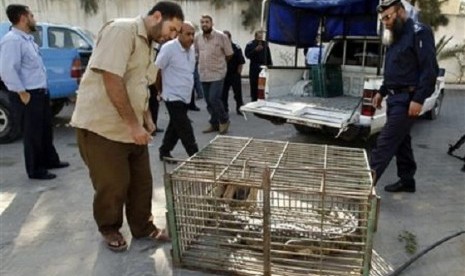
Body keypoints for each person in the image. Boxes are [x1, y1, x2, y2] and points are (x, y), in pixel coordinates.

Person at [70, 1, 184, 252]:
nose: (172, 36)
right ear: (157, 16)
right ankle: (109, 227)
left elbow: (138, 84)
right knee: (113, 184)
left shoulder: (149, 44)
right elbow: (112, 78)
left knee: (142, 182)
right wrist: (134, 126)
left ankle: (143, 227)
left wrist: (146, 118)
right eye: (172, 29)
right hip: (103, 127)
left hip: (131, 126)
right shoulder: (122, 31)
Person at [370, 0, 438, 193]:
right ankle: (407, 180)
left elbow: (429, 69)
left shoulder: (419, 32)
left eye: (388, 17)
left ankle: (361, 189)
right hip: (394, 99)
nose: (385, 22)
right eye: (382, 19)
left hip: (408, 100)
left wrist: (418, 99)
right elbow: (395, 71)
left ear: (400, 11)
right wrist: (382, 92)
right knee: (401, 142)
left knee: (384, 144)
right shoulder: (394, 36)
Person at [0, 4, 69, 180]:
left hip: (39, 93)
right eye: (32, 16)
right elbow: (8, 70)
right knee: (33, 134)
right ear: (23, 18)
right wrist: (22, 93)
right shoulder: (12, 40)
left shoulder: (27, 40)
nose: (34, 19)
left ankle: (49, 160)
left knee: (45, 129)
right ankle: (36, 169)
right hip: (27, 95)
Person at [157, 21, 199, 164]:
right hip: (172, 95)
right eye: (188, 34)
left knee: (175, 126)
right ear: (178, 34)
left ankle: (164, 151)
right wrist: (159, 90)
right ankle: (196, 158)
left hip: (185, 95)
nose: (191, 37)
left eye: (193, 34)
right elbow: (157, 69)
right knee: (185, 127)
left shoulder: (192, 49)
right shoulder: (168, 48)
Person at [194, 15, 233, 134]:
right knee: (208, 101)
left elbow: (229, 54)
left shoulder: (221, 37)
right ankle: (214, 123)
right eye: (202, 22)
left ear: (212, 23)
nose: (204, 24)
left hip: (217, 73)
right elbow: (196, 53)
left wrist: (221, 65)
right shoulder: (197, 38)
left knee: (214, 98)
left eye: (207, 22)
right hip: (204, 74)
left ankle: (224, 120)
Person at [222, 30, 245, 115]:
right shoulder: (221, 48)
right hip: (224, 74)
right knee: (223, 93)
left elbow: (241, 61)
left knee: (238, 93)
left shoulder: (236, 47)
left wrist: (238, 73)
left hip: (234, 73)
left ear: (230, 38)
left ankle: (239, 108)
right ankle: (224, 109)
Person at [245, 30, 272, 102]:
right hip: (254, 66)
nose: (261, 36)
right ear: (255, 35)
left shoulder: (265, 44)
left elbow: (268, 56)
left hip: (263, 66)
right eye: (259, 34)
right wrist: (255, 50)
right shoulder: (250, 44)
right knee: (254, 84)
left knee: (263, 85)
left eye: (261, 34)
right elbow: (247, 55)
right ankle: (253, 99)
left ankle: (262, 99)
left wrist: (270, 65)